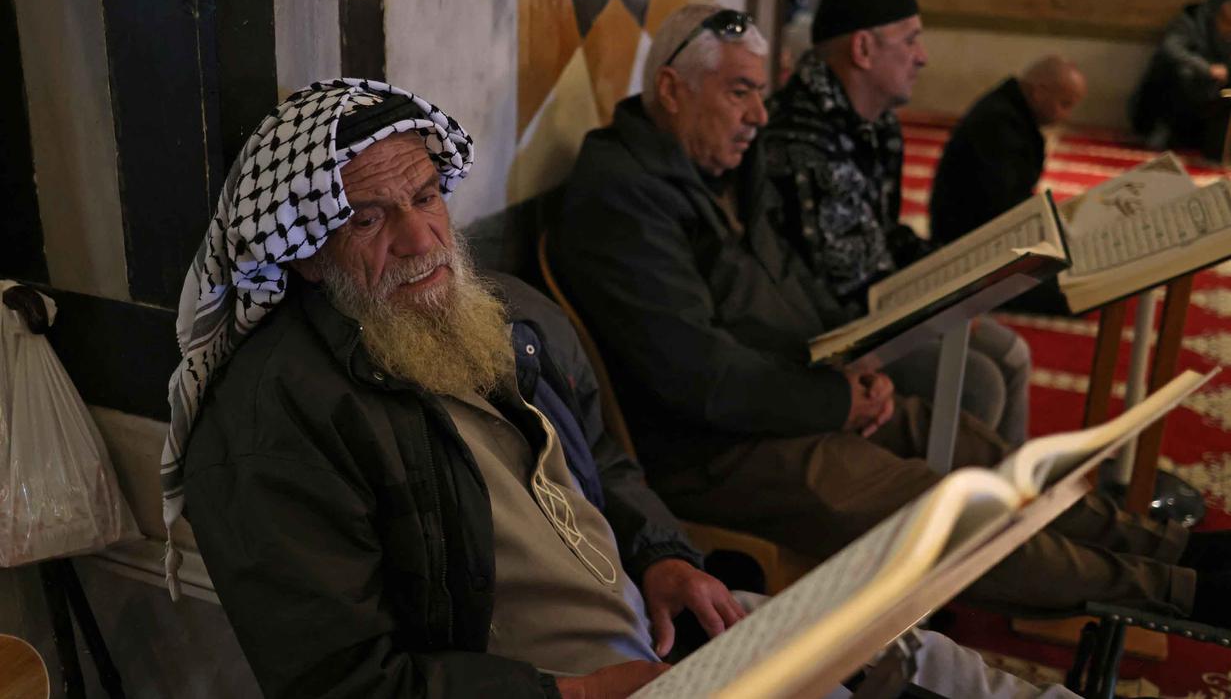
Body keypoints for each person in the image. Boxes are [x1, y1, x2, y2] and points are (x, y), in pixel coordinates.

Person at [157, 79, 1076, 699]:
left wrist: (662, 555)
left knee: (924, 654)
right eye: (367, 218)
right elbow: (343, 681)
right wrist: (578, 692)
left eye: (426, 197)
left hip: (656, 634)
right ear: (301, 249)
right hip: (574, 686)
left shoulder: (494, 312)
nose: (418, 238)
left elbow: (604, 462)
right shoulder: (274, 423)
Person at [549, 3, 1231, 631]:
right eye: (739, 92)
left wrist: (856, 362)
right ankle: (1177, 592)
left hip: (776, 399)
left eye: (761, 91)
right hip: (711, 449)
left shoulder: (715, 165)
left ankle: (1170, 549)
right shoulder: (623, 200)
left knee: (968, 445)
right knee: (943, 504)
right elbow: (696, 376)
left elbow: (788, 287)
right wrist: (831, 399)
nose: (759, 114)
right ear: (672, 90)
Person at [762, 0, 1031, 446]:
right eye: (910, 41)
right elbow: (840, 289)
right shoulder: (801, 139)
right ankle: (951, 491)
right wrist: (943, 304)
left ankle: (1010, 489)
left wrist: (965, 278)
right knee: (978, 383)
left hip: (874, 303)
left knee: (1012, 354)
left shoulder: (876, 121)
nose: (922, 57)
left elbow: (884, 238)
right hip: (820, 329)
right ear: (863, 49)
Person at [929, 56, 1086, 315]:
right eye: (1064, 104)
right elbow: (1003, 209)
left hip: (978, 234)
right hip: (964, 250)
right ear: (1039, 92)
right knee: (1074, 293)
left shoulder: (1010, 112)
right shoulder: (998, 125)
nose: (1066, 115)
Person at [1130, 0, 1231, 161]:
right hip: (1182, 89)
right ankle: (1162, 131)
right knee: (1183, 72)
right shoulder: (1192, 19)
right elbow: (1171, 48)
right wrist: (1207, 69)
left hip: (1216, 96)